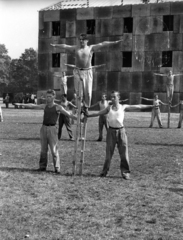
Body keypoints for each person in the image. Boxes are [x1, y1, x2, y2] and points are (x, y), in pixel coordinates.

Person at [86, 91, 153, 179]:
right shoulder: (108, 108)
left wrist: (151, 106)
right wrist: (87, 114)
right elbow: (98, 113)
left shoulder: (123, 107)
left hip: (121, 132)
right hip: (111, 132)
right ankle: (104, 172)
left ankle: (125, 172)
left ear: (118, 98)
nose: (112, 99)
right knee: (108, 154)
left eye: (114, 97)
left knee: (124, 153)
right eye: (111, 97)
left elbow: (138, 106)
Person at [51, 33, 123, 109]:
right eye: (80, 39)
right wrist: (55, 45)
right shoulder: (76, 48)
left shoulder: (91, 48)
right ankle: (79, 110)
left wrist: (114, 42)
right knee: (79, 94)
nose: (81, 41)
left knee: (88, 93)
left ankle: (86, 109)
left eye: (83, 39)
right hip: (78, 72)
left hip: (87, 72)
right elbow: (65, 46)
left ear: (87, 40)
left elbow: (103, 44)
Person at [15, 89, 77, 174]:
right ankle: (42, 166)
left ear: (54, 97)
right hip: (44, 128)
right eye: (47, 97)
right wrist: (21, 104)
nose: (48, 98)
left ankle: (57, 168)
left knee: (54, 150)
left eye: (50, 97)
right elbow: (33, 106)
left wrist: (79, 119)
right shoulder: (44, 106)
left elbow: (69, 114)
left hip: (52, 129)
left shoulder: (58, 107)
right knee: (43, 150)